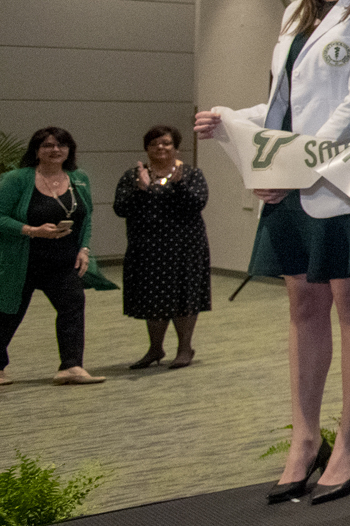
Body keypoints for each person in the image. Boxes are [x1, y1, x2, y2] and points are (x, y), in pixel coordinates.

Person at [195, 0, 350, 505]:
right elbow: (284, 105)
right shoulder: (294, 13)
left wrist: (292, 165)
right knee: (301, 307)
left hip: (337, 180)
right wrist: (232, 119)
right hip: (290, 181)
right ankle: (304, 440)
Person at [0, 127, 104, 385]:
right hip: (21, 261)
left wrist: (84, 249)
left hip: (63, 261)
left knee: (72, 306)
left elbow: (86, 217)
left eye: (61, 145)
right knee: (7, 313)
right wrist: (31, 230)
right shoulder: (17, 179)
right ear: (36, 150)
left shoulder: (79, 177)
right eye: (47, 145)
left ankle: (71, 366)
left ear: (69, 150)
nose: (55, 150)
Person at [113, 125, 209, 370]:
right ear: (146, 148)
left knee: (184, 295)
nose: (161, 147)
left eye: (166, 143)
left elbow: (197, 204)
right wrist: (141, 189)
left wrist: (178, 186)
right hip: (147, 247)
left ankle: (184, 348)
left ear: (175, 147)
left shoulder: (191, 174)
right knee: (151, 297)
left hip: (185, 247)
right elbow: (120, 208)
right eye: (155, 143)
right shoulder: (133, 175)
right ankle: (155, 348)